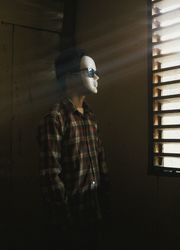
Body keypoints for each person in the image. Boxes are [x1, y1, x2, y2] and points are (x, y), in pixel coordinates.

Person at [37, 48, 110, 250]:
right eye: (89, 72)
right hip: (69, 225)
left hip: (93, 216)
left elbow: (101, 162)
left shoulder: (91, 117)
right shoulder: (55, 119)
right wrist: (66, 220)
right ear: (70, 79)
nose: (96, 76)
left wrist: (104, 202)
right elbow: (50, 177)